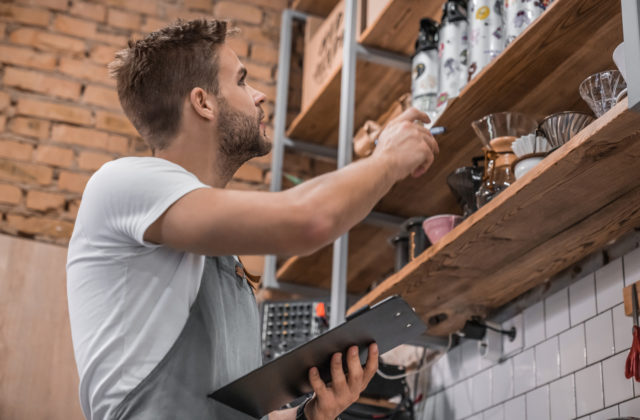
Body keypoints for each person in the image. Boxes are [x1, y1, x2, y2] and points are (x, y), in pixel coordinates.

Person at [66, 19, 439, 420]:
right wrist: (387, 160)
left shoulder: (220, 260)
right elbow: (308, 221)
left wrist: (307, 415)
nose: (260, 95)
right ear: (202, 102)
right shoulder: (121, 182)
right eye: (242, 81)